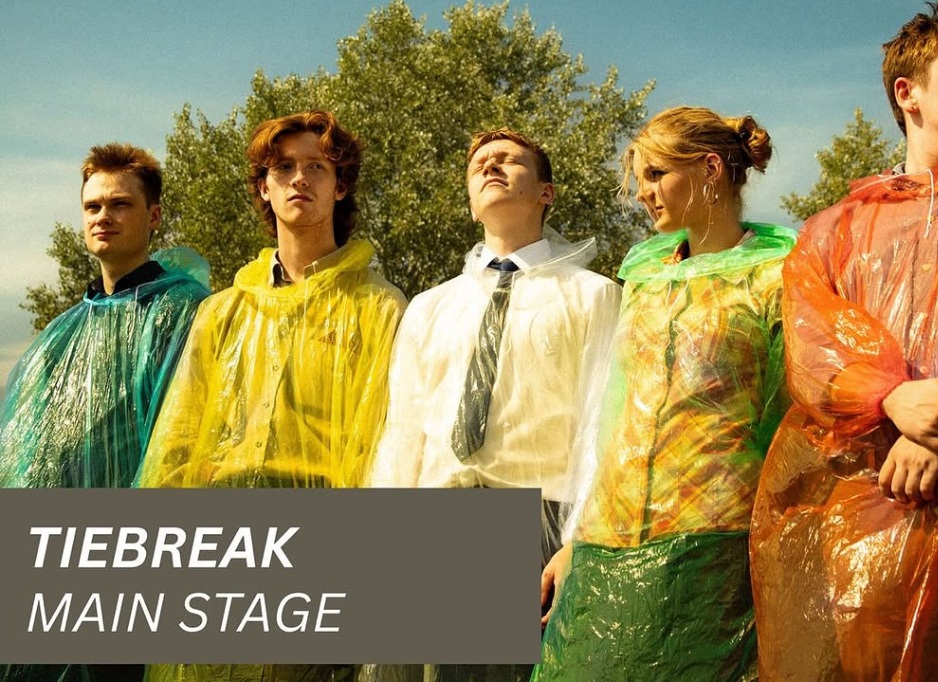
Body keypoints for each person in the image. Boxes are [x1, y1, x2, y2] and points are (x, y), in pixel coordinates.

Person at [749, 3, 938, 679]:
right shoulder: (834, 229)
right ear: (908, 93)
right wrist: (892, 397)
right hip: (871, 511)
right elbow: (813, 349)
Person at [139, 110, 405, 682]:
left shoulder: (380, 308)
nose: (299, 179)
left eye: (317, 166)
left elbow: (389, 447)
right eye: (283, 168)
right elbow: (178, 440)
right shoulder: (223, 312)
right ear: (264, 187)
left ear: (341, 185)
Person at [533, 106, 795, 681]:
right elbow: (616, 416)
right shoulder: (644, 278)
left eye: (656, 175)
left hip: (716, 544)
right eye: (639, 179)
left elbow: (789, 420)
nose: (642, 193)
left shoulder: (776, 275)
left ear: (710, 169)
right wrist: (578, 538)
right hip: (610, 538)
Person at [369, 128, 621, 682]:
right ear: (469, 201)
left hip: (537, 516)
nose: (491, 166)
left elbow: (602, 425)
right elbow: (404, 429)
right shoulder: (430, 307)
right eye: (479, 163)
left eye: (509, 160)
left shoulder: (592, 295)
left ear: (546, 193)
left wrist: (580, 541)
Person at [0, 143, 210, 681]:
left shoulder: (180, 309)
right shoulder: (65, 331)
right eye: (92, 206)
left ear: (153, 216)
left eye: (120, 204)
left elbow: (186, 436)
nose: (103, 217)